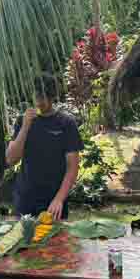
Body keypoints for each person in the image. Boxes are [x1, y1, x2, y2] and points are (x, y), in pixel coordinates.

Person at [5, 75, 83, 221]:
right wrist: (25, 127)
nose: (40, 102)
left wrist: (59, 199)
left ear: (53, 97)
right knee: (20, 242)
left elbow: (72, 167)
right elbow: (10, 159)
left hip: (54, 201)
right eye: (38, 96)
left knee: (56, 242)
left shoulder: (66, 123)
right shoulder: (23, 121)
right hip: (24, 200)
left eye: (45, 97)